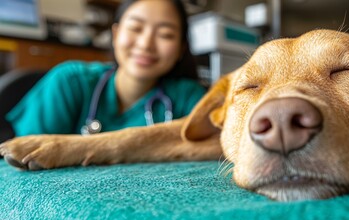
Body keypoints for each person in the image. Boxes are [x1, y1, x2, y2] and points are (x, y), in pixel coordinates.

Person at [6, 0, 206, 137]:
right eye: (136, 28)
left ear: (181, 48)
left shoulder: (189, 98)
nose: (146, 44)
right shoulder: (70, 81)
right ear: (116, 34)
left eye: (165, 35)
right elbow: (21, 159)